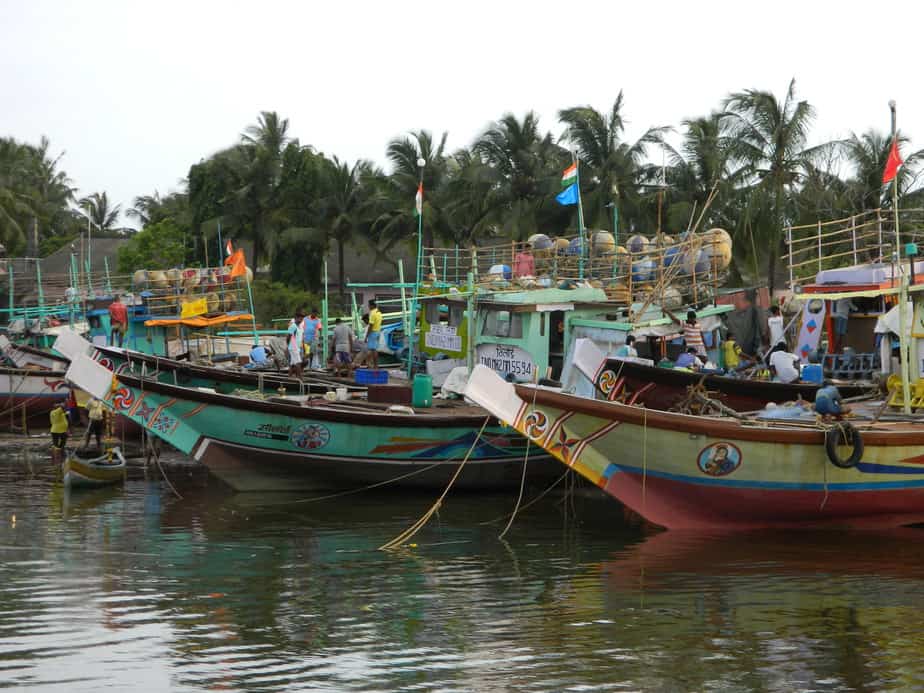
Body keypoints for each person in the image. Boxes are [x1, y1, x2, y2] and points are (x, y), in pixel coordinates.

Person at [287, 310, 305, 378]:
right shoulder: (293, 326)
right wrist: (288, 346)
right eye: (300, 317)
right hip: (293, 347)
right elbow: (288, 337)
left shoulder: (300, 326)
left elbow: (300, 337)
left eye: (302, 318)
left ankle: (289, 377)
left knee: (292, 364)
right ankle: (300, 378)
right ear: (296, 317)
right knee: (298, 363)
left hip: (297, 347)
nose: (301, 319)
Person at [366, 299, 383, 369]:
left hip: (373, 332)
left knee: (373, 350)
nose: (368, 306)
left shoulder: (372, 313)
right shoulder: (379, 312)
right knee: (373, 349)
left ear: (372, 305)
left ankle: (374, 365)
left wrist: (366, 336)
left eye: (369, 305)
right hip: (378, 332)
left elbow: (370, 325)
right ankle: (372, 364)